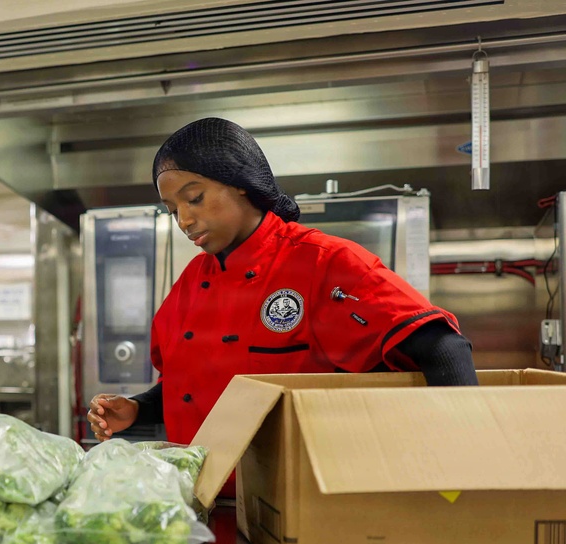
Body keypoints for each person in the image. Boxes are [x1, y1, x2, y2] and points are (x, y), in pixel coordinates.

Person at [87, 117, 478, 463]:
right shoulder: (191, 281)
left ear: (240, 183)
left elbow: (443, 347)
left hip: (292, 499)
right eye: (173, 210)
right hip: (203, 498)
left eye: (195, 198)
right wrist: (137, 408)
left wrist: (462, 460)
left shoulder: (321, 261)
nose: (185, 220)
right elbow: (188, 385)